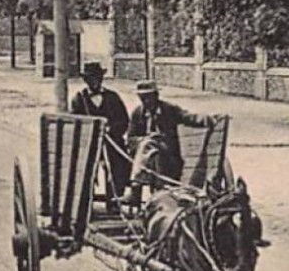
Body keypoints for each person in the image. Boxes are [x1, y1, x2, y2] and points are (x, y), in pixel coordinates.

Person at [126, 80, 215, 191]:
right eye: (142, 97)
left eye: (148, 97)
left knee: (152, 146)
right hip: (148, 158)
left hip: (169, 157)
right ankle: (149, 188)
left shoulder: (169, 110)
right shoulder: (137, 113)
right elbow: (130, 139)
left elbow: (187, 117)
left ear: (156, 96)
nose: (145, 101)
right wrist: (145, 139)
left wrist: (205, 119)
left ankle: (136, 183)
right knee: (149, 144)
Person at [70, 62, 131, 205]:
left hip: (112, 142)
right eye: (91, 79)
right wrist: (93, 131)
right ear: (86, 81)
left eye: (97, 78)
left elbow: (124, 120)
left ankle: (115, 201)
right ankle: (85, 204)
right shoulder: (79, 99)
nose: (95, 81)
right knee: (85, 171)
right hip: (88, 144)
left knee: (118, 167)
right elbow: (76, 123)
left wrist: (111, 129)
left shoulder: (113, 97)